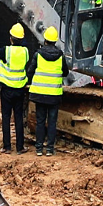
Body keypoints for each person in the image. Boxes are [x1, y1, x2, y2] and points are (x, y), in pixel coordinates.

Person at [26, 26, 68, 156]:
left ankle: (39, 148)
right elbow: (65, 72)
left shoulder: (38, 54)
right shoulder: (60, 56)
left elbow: (30, 71)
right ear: (55, 41)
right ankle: (50, 149)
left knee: (40, 121)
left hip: (39, 94)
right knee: (52, 122)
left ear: (45, 40)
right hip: (54, 95)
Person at [0, 23, 29, 154]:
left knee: (6, 117)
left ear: (11, 38)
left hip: (7, 90)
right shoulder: (25, 52)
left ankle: (7, 146)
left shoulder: (7, 51)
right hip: (20, 89)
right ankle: (20, 147)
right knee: (18, 118)